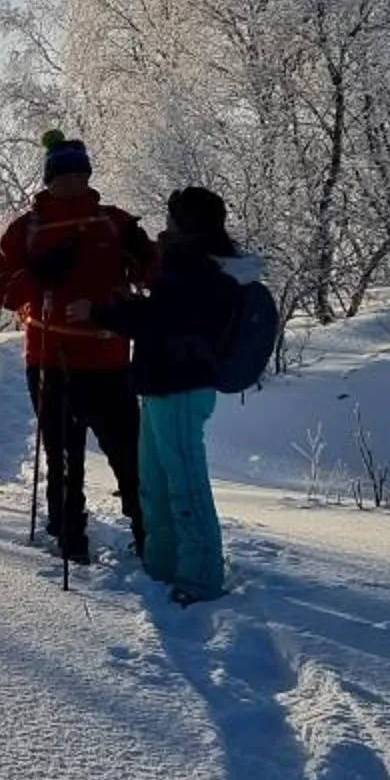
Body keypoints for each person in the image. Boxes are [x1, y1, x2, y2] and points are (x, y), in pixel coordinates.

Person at [76, 184, 255, 605]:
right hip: (161, 385)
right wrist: (135, 302)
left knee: (185, 485)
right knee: (155, 485)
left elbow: (164, 321)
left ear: (187, 223)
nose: (166, 223)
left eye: (173, 217)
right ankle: (163, 567)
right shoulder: (190, 263)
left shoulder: (199, 267)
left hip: (182, 387)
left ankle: (200, 579)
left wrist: (103, 312)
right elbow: (166, 314)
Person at [0, 131, 152, 566]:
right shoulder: (25, 230)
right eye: (65, 176)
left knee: (131, 459)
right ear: (49, 180)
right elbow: (1, 289)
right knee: (62, 459)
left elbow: (156, 277)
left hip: (110, 362)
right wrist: (38, 275)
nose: (74, 183)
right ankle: (69, 537)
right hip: (49, 361)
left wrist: (146, 256)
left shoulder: (116, 223)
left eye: (81, 174)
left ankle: (150, 536)